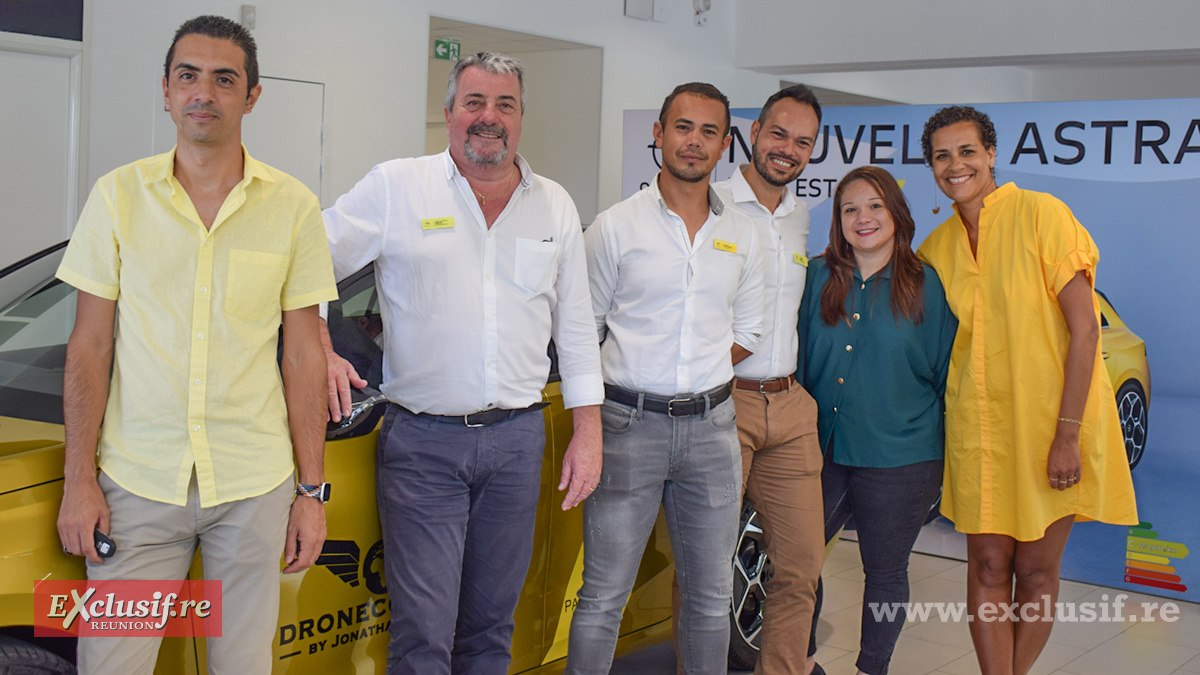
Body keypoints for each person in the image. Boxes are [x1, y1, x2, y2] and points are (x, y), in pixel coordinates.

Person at [54, 15, 335, 673]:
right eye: (188, 76)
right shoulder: (117, 198)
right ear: (166, 90)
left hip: (253, 483)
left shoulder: (292, 207)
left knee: (244, 666)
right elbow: (89, 346)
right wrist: (78, 478)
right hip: (137, 482)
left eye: (223, 78)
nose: (202, 92)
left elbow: (302, 356)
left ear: (252, 96)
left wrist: (311, 492)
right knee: (111, 665)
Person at [320, 52, 604, 675]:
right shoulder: (397, 187)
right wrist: (319, 341)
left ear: (522, 119)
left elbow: (577, 328)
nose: (488, 117)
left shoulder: (554, 205)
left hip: (518, 442)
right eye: (474, 102)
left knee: (490, 631)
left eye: (504, 105)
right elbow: (309, 256)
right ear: (448, 114)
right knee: (423, 637)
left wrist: (588, 431)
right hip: (423, 445)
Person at [916, 106, 1137, 675]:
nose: (955, 165)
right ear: (931, 167)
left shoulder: (1042, 214)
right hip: (978, 434)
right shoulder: (936, 249)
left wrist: (1068, 434)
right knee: (987, 568)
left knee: (1036, 571)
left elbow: (1086, 329)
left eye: (967, 151)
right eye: (942, 155)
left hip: (1049, 428)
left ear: (991, 155)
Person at [566, 82, 764, 675]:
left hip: (713, 431)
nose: (694, 142)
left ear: (725, 144)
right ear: (659, 134)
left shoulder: (744, 235)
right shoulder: (614, 227)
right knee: (602, 599)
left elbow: (748, 331)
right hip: (626, 427)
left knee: (711, 600)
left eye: (709, 131)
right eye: (683, 127)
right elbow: (582, 329)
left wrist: (694, 374)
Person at [797, 166, 957, 675]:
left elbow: (940, 372)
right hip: (818, 452)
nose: (862, 218)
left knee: (885, 572)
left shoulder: (926, 284)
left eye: (874, 206)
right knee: (796, 564)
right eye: (850, 208)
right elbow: (799, 363)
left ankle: (872, 669)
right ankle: (801, 662)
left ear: (896, 214)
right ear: (838, 220)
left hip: (901, 456)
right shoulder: (816, 277)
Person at [709, 84, 825, 675]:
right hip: (723, 404)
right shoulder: (711, 203)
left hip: (789, 405)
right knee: (706, 572)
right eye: (778, 134)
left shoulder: (800, 217)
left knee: (801, 567)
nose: (788, 149)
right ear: (752, 134)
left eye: (802, 141)